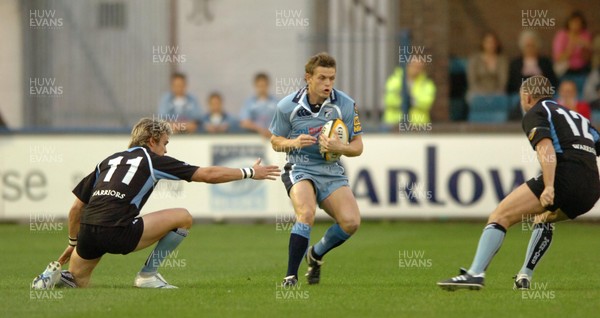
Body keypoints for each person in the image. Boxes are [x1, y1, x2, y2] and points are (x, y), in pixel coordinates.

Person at [32, 118, 280, 289]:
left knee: (79, 280)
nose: (165, 150)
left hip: (88, 231)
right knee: (183, 216)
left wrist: (73, 243)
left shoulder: (108, 161)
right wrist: (249, 172)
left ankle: (54, 278)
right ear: (152, 141)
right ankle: (147, 276)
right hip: (119, 232)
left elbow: (76, 208)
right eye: (165, 143)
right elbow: (207, 175)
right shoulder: (152, 159)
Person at [438, 75, 600, 291]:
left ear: (527, 96)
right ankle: (524, 275)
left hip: (564, 177)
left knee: (500, 215)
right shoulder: (578, 117)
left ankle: (475, 273)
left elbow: (546, 149)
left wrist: (550, 186)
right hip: (591, 188)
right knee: (544, 217)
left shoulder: (537, 112)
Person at [269, 52, 363, 286]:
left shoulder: (345, 104)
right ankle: (291, 276)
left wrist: (340, 146)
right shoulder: (287, 106)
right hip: (300, 167)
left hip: (331, 171)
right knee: (306, 213)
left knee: (351, 222)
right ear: (308, 78)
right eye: (322, 78)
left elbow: (358, 147)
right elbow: (275, 141)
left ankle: (316, 253)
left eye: (331, 78)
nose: (328, 84)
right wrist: (293, 143)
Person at [383, 60, 436, 128]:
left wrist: (408, 99)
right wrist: (410, 101)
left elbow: (426, 103)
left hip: (418, 125)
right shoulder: (394, 80)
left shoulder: (427, 84)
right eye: (414, 66)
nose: (416, 70)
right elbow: (389, 100)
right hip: (393, 124)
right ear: (407, 66)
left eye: (419, 67)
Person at [507, 30, 558, 94]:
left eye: (532, 45)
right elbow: (511, 85)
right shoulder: (515, 64)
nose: (530, 49)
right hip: (520, 95)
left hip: (542, 94)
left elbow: (553, 82)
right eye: (528, 46)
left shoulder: (545, 62)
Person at [466, 31, 509, 101]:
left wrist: (496, 93)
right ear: (483, 43)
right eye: (488, 42)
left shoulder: (502, 60)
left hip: (496, 92)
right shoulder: (474, 59)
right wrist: (483, 94)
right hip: (477, 91)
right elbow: (472, 80)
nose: (491, 45)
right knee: (472, 97)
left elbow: (503, 81)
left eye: (493, 42)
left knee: (502, 97)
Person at [552, 11, 592, 77]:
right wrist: (571, 46)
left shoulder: (585, 35)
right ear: (569, 23)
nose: (576, 25)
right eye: (574, 22)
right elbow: (558, 58)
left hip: (582, 70)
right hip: (565, 70)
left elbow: (588, 58)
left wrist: (586, 47)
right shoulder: (561, 35)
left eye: (579, 23)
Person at [240, 73, 278, 138]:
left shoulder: (276, 102)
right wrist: (259, 129)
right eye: (259, 86)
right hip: (255, 139)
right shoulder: (249, 103)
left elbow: (282, 120)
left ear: (268, 85)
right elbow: (244, 122)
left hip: (273, 137)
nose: (262, 88)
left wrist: (271, 130)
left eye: (264, 85)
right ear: (255, 86)